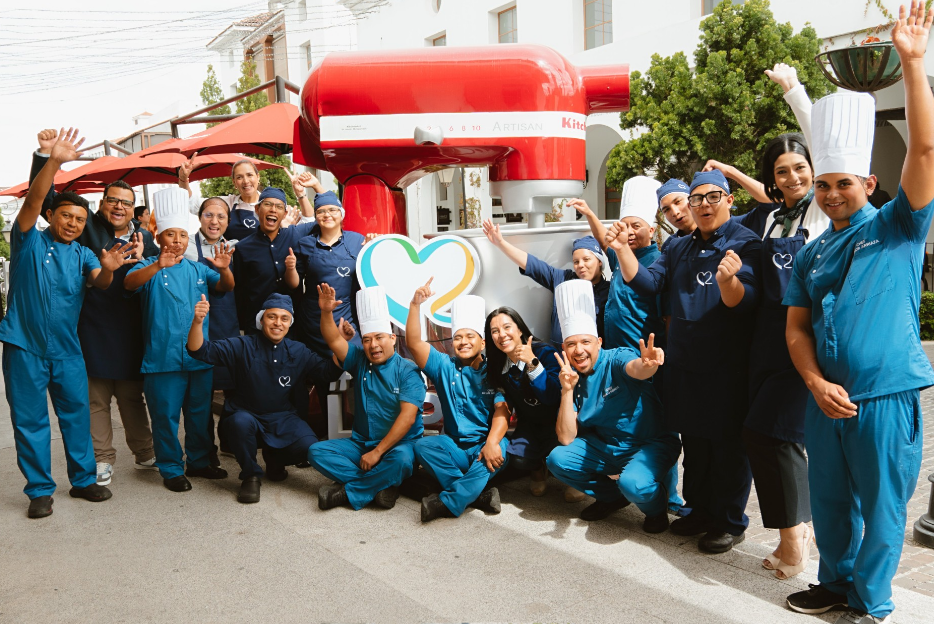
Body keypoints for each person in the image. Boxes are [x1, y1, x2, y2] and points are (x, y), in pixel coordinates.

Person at [783, 5, 934, 622]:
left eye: (843, 183)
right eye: (823, 184)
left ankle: (872, 601)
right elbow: (795, 328)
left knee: (883, 505)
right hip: (826, 400)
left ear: (870, 183)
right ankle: (835, 584)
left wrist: (913, 61)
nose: (831, 193)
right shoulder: (811, 251)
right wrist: (815, 383)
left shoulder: (900, 227)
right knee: (830, 498)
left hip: (884, 395)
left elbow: (924, 147)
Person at [611, 168, 761, 553]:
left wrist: (729, 281)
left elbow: (745, 301)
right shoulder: (677, 248)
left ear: (729, 200)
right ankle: (698, 510)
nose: (702, 206)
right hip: (685, 362)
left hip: (727, 364)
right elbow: (647, 283)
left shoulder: (745, 242)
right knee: (695, 443)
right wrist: (623, 250)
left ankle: (729, 520)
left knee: (727, 445)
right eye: (697, 199)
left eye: (712, 197)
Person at [703, 128, 829, 577]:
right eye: (782, 171)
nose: (793, 177)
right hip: (764, 343)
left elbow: (816, 152)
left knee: (771, 435)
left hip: (803, 340)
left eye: (801, 168)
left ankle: (795, 539)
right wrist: (728, 282)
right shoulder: (772, 219)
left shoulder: (821, 209)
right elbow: (748, 293)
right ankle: (795, 534)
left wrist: (793, 92)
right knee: (768, 436)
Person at [0, 128, 136, 518]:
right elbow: (35, 196)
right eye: (66, 216)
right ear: (49, 217)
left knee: (76, 415)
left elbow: (102, 280)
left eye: (79, 218)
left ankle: (83, 480)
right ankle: (40, 491)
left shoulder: (84, 254)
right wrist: (52, 162)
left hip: (67, 351)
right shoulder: (28, 241)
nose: (74, 223)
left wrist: (109, 267)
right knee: (30, 420)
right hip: (24, 345)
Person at [186, 293, 347, 504]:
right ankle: (251, 475)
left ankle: (275, 459)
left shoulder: (298, 350)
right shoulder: (242, 345)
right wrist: (197, 322)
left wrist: (341, 342)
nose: (277, 323)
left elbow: (327, 372)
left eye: (284, 318)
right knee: (239, 423)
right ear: (261, 319)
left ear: (290, 323)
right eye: (272, 317)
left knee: (309, 447)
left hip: (283, 417)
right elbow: (200, 351)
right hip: (246, 414)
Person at [124, 187, 235, 493]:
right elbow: (129, 283)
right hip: (162, 359)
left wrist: (224, 270)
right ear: (158, 236)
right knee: (165, 417)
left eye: (182, 236)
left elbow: (226, 286)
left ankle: (199, 462)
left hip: (198, 358)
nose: (177, 241)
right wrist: (157, 265)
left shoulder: (199, 268)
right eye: (171, 235)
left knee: (199, 415)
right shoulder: (147, 266)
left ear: (188, 239)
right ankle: (171, 467)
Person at [546, 280, 680, 531]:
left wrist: (647, 365)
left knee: (635, 484)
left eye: (585, 342)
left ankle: (656, 508)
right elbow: (565, 439)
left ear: (598, 342)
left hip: (650, 443)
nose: (579, 350)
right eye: (571, 344)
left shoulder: (616, 357)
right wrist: (566, 391)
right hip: (607, 447)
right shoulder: (570, 377)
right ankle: (612, 497)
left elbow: (635, 369)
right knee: (557, 459)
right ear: (564, 348)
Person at [308, 285, 426, 511]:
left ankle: (351, 492)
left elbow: (408, 418)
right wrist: (325, 312)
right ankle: (382, 485)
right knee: (317, 451)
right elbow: (333, 340)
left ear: (392, 338)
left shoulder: (408, 371)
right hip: (361, 444)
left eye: (379, 338)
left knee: (401, 460)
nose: (373, 345)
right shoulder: (359, 360)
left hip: (399, 446)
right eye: (367, 340)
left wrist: (378, 452)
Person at [405, 285, 511, 522]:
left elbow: (502, 411)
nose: (463, 342)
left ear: (482, 343)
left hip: (485, 446)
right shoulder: (444, 366)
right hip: (454, 449)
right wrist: (415, 305)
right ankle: (477, 495)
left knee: (501, 447)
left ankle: (448, 501)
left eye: (470, 336)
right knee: (423, 447)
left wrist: (492, 442)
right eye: (458, 337)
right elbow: (413, 343)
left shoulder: (495, 371)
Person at [484, 307, 584, 501]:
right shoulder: (497, 364)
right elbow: (505, 400)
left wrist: (533, 363)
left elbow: (552, 396)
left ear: (520, 329)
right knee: (519, 459)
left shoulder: (545, 353)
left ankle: (575, 478)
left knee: (562, 454)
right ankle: (539, 470)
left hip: (558, 421)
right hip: (530, 423)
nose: (501, 335)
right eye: (494, 331)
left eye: (507, 327)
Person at [482, 218, 610, 345]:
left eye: (586, 259)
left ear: (599, 262)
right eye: (576, 262)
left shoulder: (611, 291)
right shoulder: (562, 279)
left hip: (592, 360)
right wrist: (500, 243)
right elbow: (532, 264)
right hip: (558, 357)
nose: (580, 265)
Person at [290, 183, 369, 355]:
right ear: (316, 217)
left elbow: (372, 273)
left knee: (350, 363)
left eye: (333, 210)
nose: (327, 215)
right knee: (317, 370)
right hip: (313, 320)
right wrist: (290, 268)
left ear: (341, 215)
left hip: (349, 318)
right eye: (321, 211)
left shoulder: (358, 241)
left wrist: (375, 245)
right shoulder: (305, 244)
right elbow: (294, 283)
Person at [231, 187, 318, 335]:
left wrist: (312, 188)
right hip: (257, 326)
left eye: (278, 207)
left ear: (284, 214)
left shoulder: (294, 234)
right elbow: (240, 291)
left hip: (293, 325)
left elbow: (327, 216)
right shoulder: (242, 247)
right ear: (257, 209)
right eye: (267, 204)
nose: (273, 210)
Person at [178, 157, 317, 241]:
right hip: (232, 267)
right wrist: (183, 180)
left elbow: (308, 222)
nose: (245, 181)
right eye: (239, 177)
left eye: (249, 175)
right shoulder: (226, 203)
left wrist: (300, 194)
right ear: (234, 182)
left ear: (258, 177)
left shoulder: (274, 206)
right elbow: (193, 204)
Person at [657, 179, 696, 248]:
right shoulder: (669, 246)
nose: (675, 213)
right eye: (666, 209)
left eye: (678, 202)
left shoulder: (717, 232)